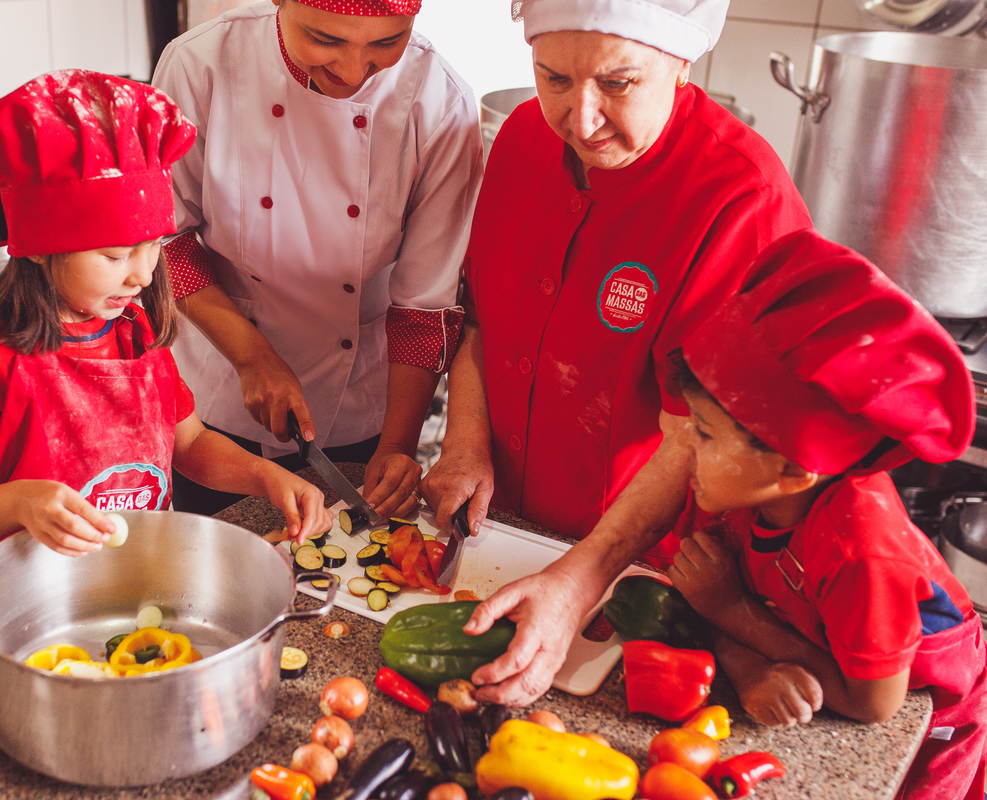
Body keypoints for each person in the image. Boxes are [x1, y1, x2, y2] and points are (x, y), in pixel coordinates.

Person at [421, 0, 811, 704]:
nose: (582, 119)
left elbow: (699, 433)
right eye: (554, 79)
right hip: (508, 531)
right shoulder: (516, 139)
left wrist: (582, 578)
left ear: (682, 65)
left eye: (618, 83)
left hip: (655, 574)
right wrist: (466, 441)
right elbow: (481, 316)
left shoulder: (740, 197)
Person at [0, 70, 331, 555]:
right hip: (36, 605)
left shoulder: (137, 334)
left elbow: (190, 445)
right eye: (115, 256)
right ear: (37, 246)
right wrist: (23, 500)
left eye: (152, 246)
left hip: (139, 579)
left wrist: (266, 475)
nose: (141, 276)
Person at [666, 230, 985, 800]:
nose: (684, 443)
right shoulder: (726, 489)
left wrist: (735, 611)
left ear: (793, 472)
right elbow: (698, 594)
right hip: (820, 651)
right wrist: (746, 669)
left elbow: (875, 703)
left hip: (924, 713)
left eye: (705, 433)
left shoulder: (861, 549)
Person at [151, 0, 483, 519]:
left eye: (385, 44)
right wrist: (251, 355)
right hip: (212, 399)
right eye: (325, 41)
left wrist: (398, 446)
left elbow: (424, 307)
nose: (353, 72)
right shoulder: (201, 64)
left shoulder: (439, 102)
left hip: (361, 409)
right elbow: (167, 239)